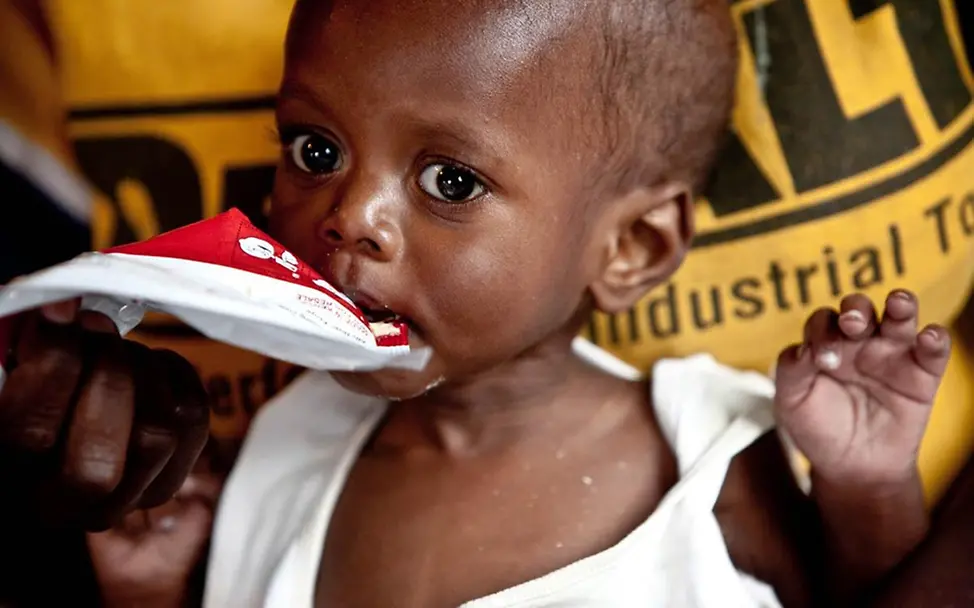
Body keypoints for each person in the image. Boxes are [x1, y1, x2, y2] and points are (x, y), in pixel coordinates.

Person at [0, 0, 959, 606]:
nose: (348, 219)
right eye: (314, 151)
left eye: (450, 182)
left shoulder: (705, 453)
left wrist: (865, 486)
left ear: (631, 248)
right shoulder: (284, 455)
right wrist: (149, 589)